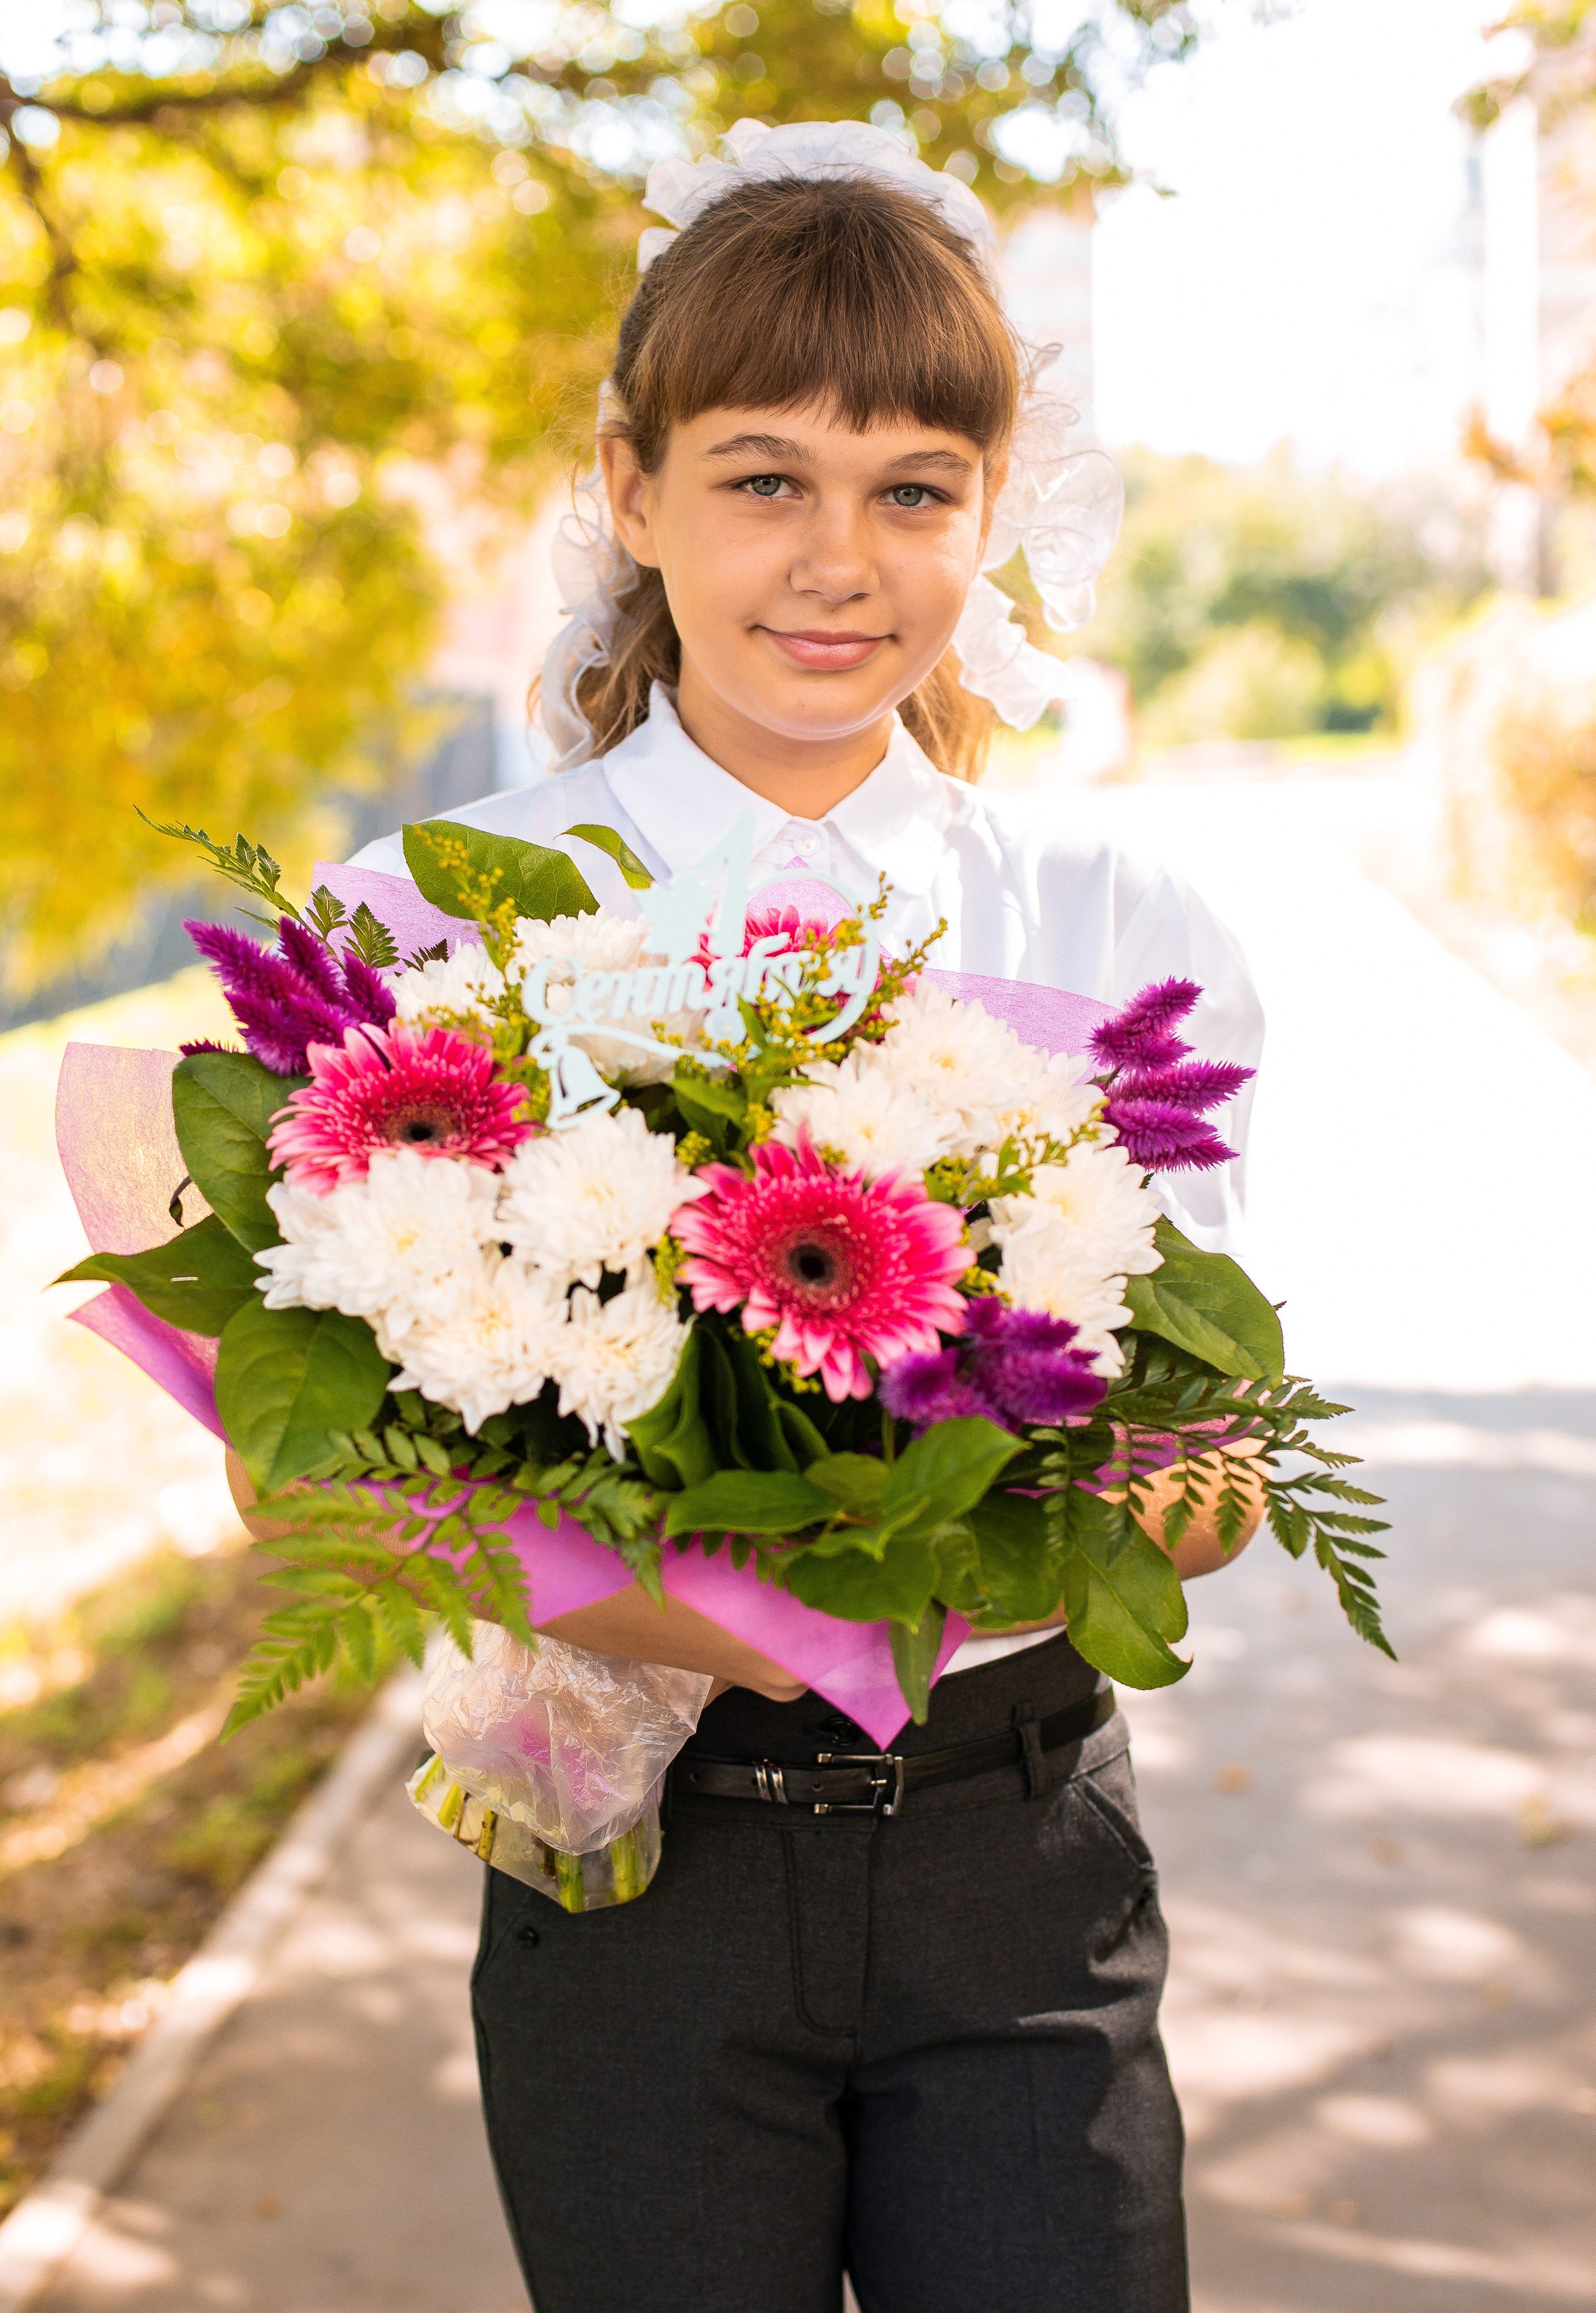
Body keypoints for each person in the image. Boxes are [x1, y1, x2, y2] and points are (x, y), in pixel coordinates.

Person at [271, 125, 1267, 2313]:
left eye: (915, 485)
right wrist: (647, 1606)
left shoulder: (1119, 930)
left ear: (995, 514)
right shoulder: (439, 934)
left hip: (1020, 1859)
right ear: (631, 493)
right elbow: (326, 1468)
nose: (840, 560)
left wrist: (1137, 1504)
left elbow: (1212, 1447)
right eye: (762, 477)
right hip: (633, 1874)